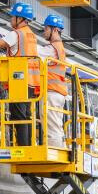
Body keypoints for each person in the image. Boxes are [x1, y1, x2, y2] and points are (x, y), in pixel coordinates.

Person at [0, 2, 40, 146]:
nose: (11, 20)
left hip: (19, 81)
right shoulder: (31, 35)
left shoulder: (16, 34)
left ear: (20, 18)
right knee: (27, 116)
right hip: (31, 82)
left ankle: (24, 148)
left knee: (19, 116)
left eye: (12, 17)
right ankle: (29, 146)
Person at [39, 14, 69, 148]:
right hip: (57, 92)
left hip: (51, 92)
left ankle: (54, 152)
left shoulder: (52, 49)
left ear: (55, 30)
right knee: (56, 125)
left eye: (46, 28)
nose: (44, 32)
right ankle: (59, 148)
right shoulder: (59, 48)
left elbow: (33, 52)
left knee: (51, 127)